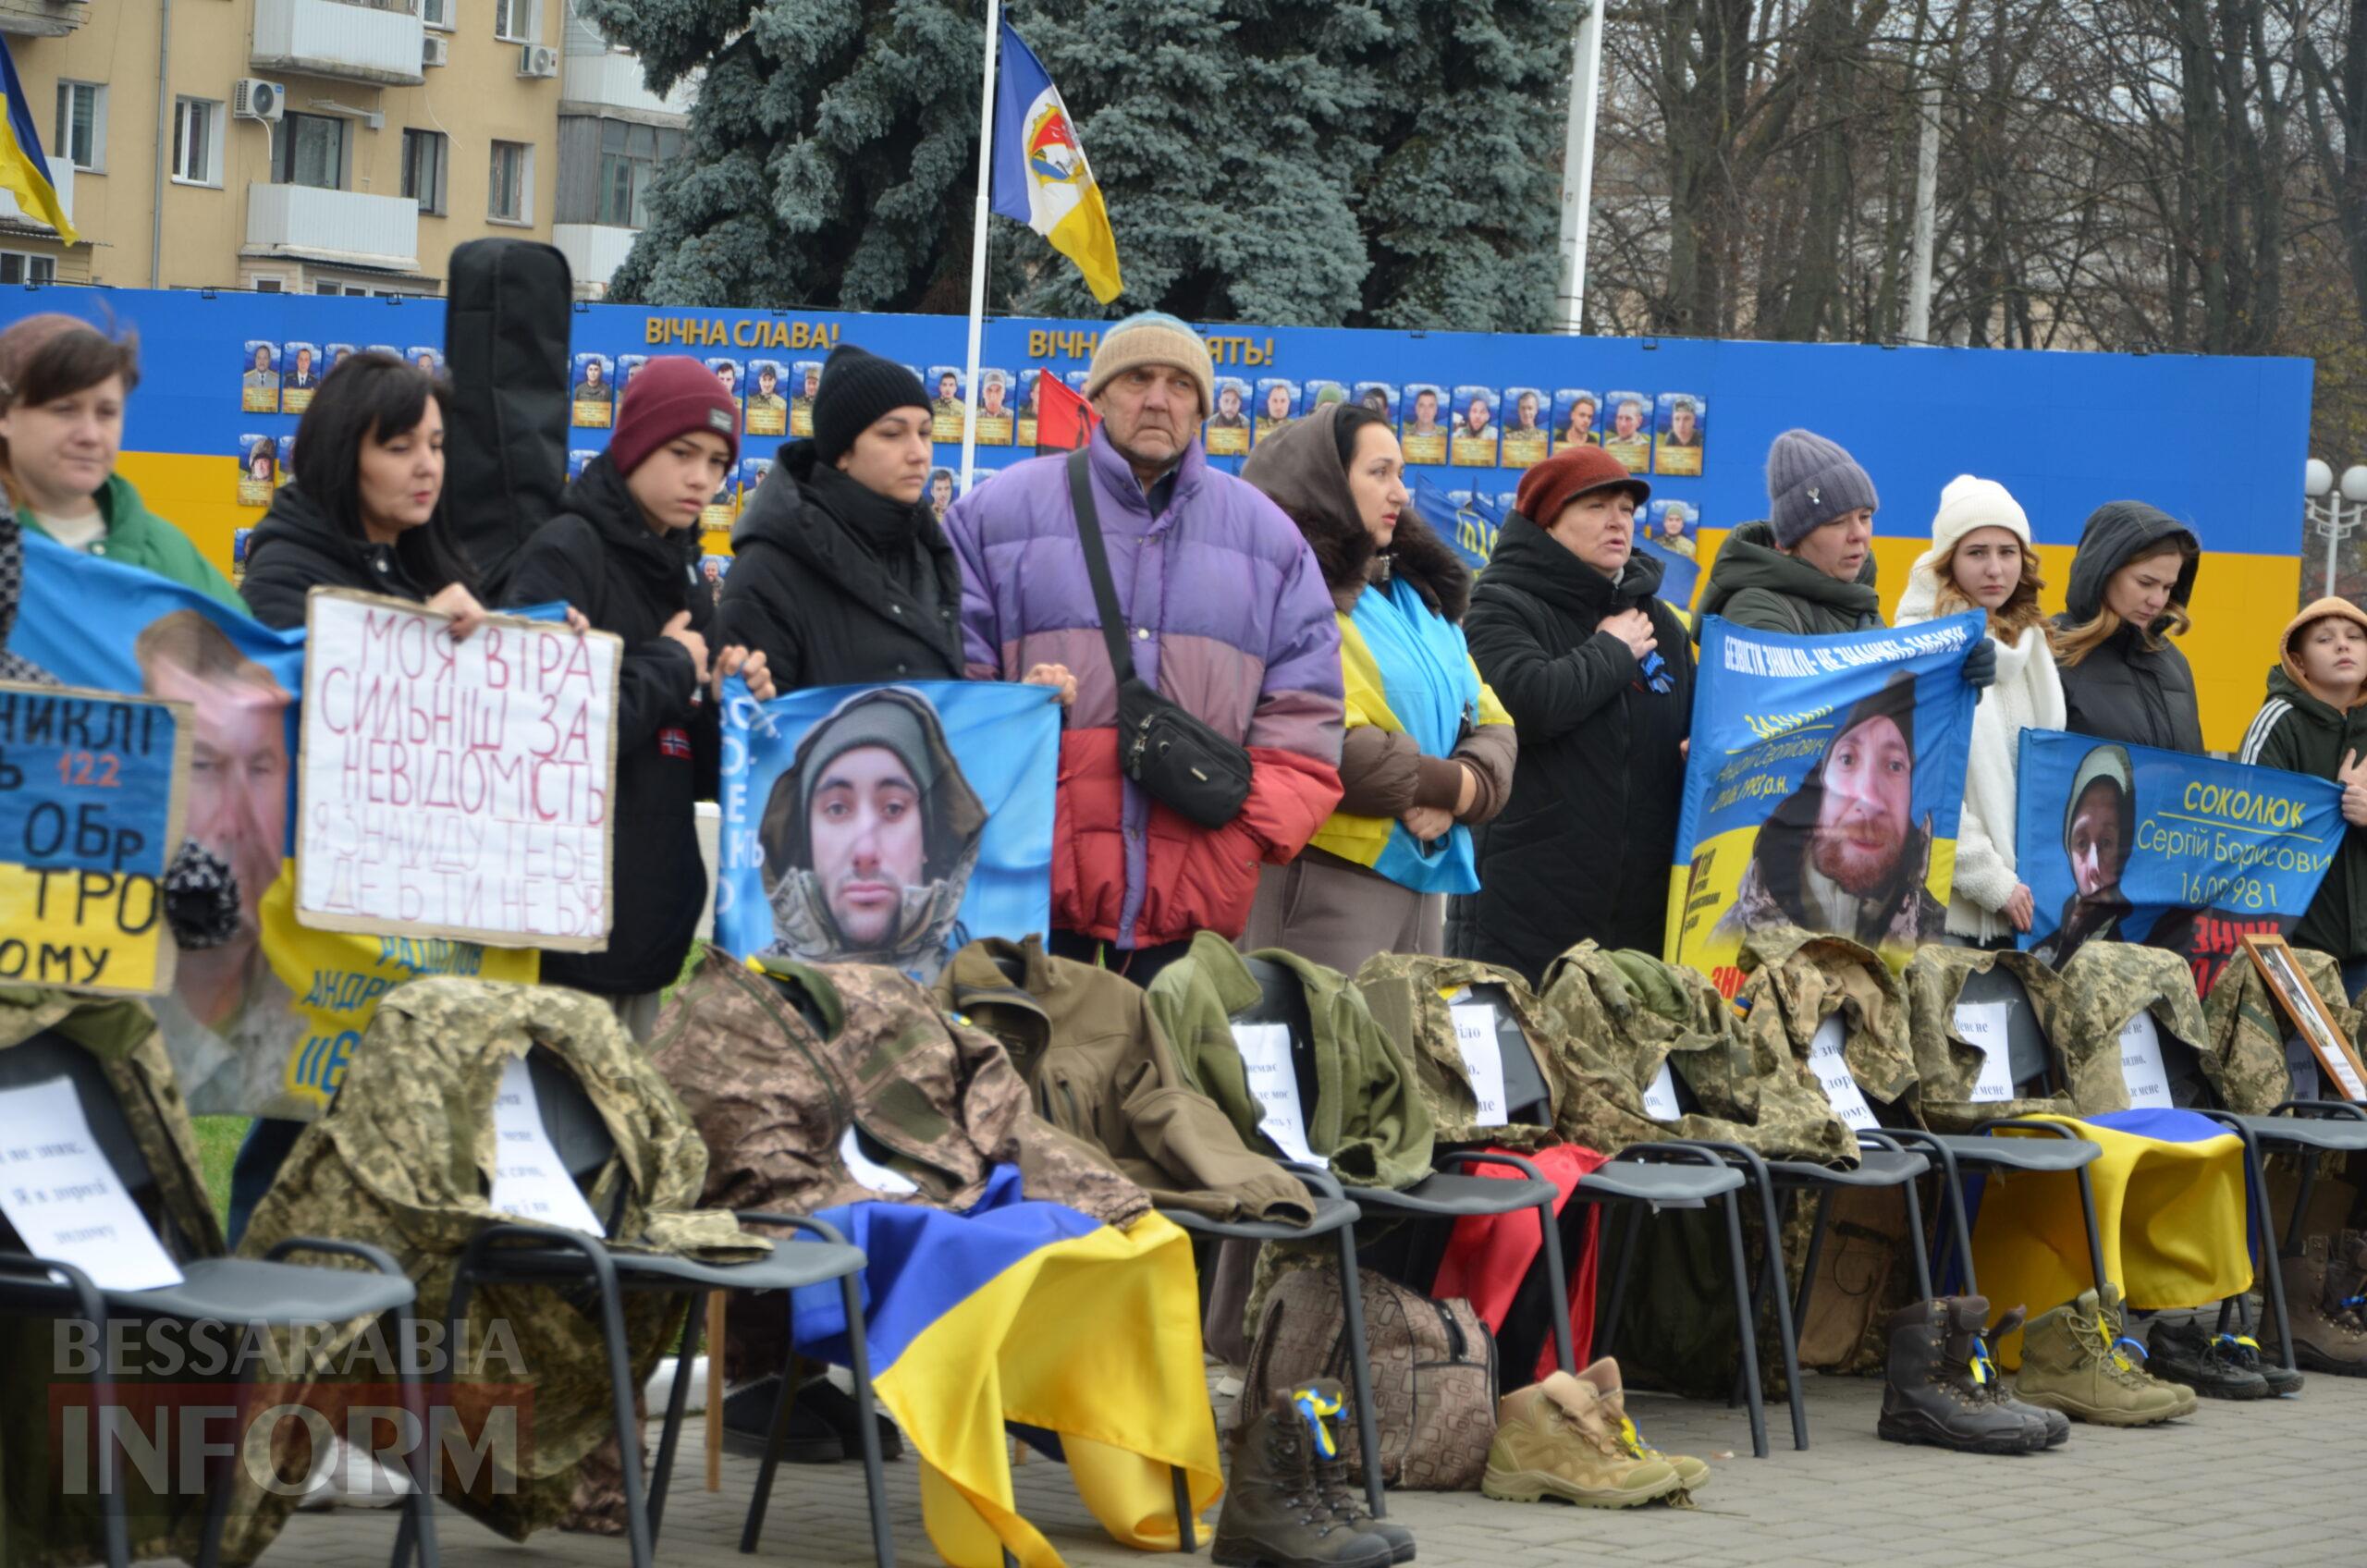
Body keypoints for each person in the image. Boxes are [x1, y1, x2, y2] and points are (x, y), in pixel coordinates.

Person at [945, 312, 1344, 985]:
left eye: (1180, 384)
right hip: (1029, 896)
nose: (1158, 399)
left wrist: (1240, 835)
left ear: (1202, 408)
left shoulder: (1270, 539)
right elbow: (951, 684)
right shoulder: (996, 515)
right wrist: (1015, 712)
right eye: (1137, 378)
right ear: (1099, 394)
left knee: (1172, 1060)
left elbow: (1308, 716)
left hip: (1192, 906)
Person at [228, 351, 498, 1250]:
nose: (427, 466)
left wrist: (529, 645)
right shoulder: (286, 564)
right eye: (400, 446)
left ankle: (371, 1307)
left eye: (437, 445)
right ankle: (259, 1302)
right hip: (317, 913)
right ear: (346, 452)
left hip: (410, 904)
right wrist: (423, 631)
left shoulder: (427, 565)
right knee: (299, 1124)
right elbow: (307, 684)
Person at [503, 355, 774, 1042]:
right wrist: (669, 665)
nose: (702, 478)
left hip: (647, 934)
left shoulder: (686, 574)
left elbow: (701, 770)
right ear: (633, 445)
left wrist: (730, 705)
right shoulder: (564, 552)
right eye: (682, 453)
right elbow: (541, 740)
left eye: (718, 462)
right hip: (558, 938)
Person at [1237, 402, 1514, 970]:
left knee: (1406, 1032)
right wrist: (1446, 787)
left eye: (1402, 474)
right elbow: (1321, 743)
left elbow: (1495, 723)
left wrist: (1461, 790)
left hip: (1421, 883)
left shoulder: (1418, 593)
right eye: (1379, 472)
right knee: (1323, 1030)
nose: (1401, 493)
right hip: (1321, 883)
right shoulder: (1284, 590)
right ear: (1327, 482)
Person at [1458, 445, 1690, 979]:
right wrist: (1610, 652)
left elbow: (1688, 725)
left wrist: (1692, 751)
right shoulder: (1500, 603)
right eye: (1596, 506)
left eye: (1627, 509)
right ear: (1548, 522)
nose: (1618, 521)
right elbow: (1527, 706)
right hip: (1526, 914)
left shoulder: (1659, 622)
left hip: (1641, 923)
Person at [717, 344, 967, 693]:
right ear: (842, 452)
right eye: (892, 434)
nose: (919, 453)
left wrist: (1022, 705)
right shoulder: (769, 570)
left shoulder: (926, 551)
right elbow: (750, 717)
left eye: (925, 433)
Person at [1895, 476, 2065, 947]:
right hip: (1945, 919)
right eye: (1976, 552)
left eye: (2008, 552)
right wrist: (1992, 882)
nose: (1995, 568)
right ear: (1948, 560)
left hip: (2026, 912)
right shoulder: (1922, 645)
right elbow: (1921, 786)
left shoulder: (2031, 646)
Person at [0, 313, 239, 605]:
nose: (90, 435)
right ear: (5, 414)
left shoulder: (168, 553)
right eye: (64, 410)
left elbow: (236, 634)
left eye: (107, 413)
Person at [1712, 674, 1949, 951]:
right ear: (1820, 780)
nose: (1869, 799)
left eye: (1894, 766)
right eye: (1847, 759)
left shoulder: (1934, 937)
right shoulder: (1735, 933)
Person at [757, 686, 983, 976]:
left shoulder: (976, 989)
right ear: (806, 842)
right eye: (837, 809)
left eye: (893, 808)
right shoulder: (750, 987)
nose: (865, 852)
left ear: (929, 840)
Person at [2239, 598, 2367, 994]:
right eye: (2325, 640)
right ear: (2299, 662)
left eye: (2355, 637)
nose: (2343, 645)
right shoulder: (2278, 721)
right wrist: (2332, 804)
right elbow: (2244, 826)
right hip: (2297, 947)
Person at [1697, 429, 1885, 637]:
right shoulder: (1755, 610)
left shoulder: (1859, 599)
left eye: (1865, 517)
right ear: (1790, 542)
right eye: (1837, 522)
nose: (1859, 534)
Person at [2052, 502, 2203, 753]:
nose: (2157, 601)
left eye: (2167, 587)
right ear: (2104, 571)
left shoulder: (2175, 663)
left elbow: (2194, 769)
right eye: (2146, 583)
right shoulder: (2051, 652)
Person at [2030, 743, 2136, 968]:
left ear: (2125, 848)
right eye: (2081, 843)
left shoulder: (2138, 940)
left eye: (2106, 843)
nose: (2093, 866)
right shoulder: (2043, 947)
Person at [1602, 398, 1650, 469]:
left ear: (1639, 421)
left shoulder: (1645, 448)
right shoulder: (1607, 444)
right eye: (1619, 418)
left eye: (1628, 419)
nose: (1623, 424)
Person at [242, 343, 279, 407]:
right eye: (259, 358)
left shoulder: (277, 380)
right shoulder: (246, 379)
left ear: (269, 360)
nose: (262, 362)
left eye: (265, 358)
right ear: (255, 359)